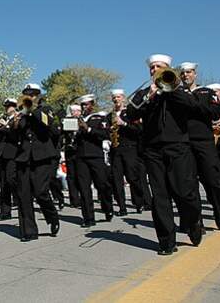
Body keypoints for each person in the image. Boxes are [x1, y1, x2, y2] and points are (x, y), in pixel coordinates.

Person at [127, 54, 202, 255]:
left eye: (159, 66)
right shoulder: (144, 93)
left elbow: (194, 107)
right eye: (152, 67)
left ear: (168, 69)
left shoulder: (179, 89)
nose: (154, 70)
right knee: (160, 197)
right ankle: (166, 242)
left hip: (178, 147)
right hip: (152, 150)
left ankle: (193, 221)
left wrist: (171, 89)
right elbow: (130, 114)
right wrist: (148, 97)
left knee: (185, 192)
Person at [13, 83, 60, 241]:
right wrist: (15, 124)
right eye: (27, 95)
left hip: (42, 156)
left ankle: (52, 216)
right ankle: (29, 231)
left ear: (38, 96)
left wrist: (32, 110)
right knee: (24, 194)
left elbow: (48, 125)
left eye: (32, 95)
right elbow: (15, 136)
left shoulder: (46, 110)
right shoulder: (22, 114)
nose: (29, 97)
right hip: (24, 156)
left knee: (41, 192)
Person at [179, 62, 220, 230]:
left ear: (195, 74)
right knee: (189, 185)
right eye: (182, 73)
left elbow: (216, 112)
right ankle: (197, 223)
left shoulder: (206, 92)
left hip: (204, 141)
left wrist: (192, 101)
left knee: (214, 181)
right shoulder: (176, 93)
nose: (185, 76)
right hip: (184, 143)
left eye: (188, 72)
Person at [108, 89, 152, 215]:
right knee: (116, 180)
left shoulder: (130, 113)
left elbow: (138, 130)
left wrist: (124, 124)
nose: (116, 100)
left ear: (123, 98)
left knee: (133, 177)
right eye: (114, 98)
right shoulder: (110, 115)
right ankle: (122, 207)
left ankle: (138, 203)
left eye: (118, 97)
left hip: (130, 148)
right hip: (115, 149)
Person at [75, 93, 114, 227]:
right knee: (84, 188)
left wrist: (89, 129)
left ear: (92, 105)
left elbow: (104, 134)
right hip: (80, 157)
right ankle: (88, 218)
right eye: (82, 105)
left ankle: (108, 208)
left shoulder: (99, 118)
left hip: (95, 155)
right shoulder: (78, 119)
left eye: (87, 104)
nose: (84, 107)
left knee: (102, 184)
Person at [0, 98, 20, 220]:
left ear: (14, 107)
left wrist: (6, 128)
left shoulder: (17, 118)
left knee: (11, 179)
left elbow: (16, 135)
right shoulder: (3, 120)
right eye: (6, 106)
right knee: (3, 183)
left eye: (9, 106)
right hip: (1, 153)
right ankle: (5, 211)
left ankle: (20, 199)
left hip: (12, 152)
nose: (7, 109)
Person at [60, 104, 82, 208]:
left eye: (78, 110)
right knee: (71, 176)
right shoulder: (68, 120)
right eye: (74, 111)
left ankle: (83, 198)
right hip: (70, 150)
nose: (76, 113)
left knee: (81, 176)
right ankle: (74, 200)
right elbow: (64, 133)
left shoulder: (83, 120)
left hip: (80, 151)